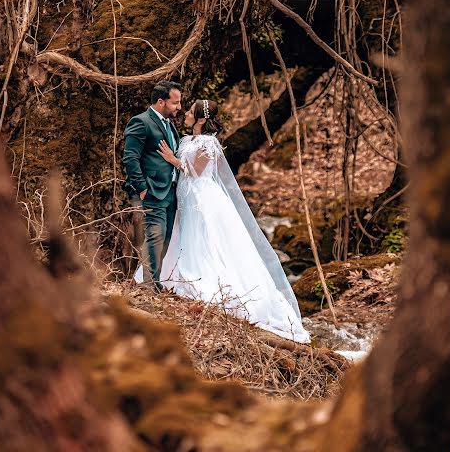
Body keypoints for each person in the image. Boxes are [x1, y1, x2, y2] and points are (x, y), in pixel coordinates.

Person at [148, 98, 310, 344]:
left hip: (202, 198)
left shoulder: (209, 143)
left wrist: (172, 159)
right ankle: (175, 275)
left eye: (191, 112)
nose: (186, 115)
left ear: (201, 119)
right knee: (186, 236)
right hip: (186, 196)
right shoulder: (186, 139)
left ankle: (211, 285)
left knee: (206, 239)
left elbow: (195, 171)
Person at [122, 80, 181, 288]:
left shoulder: (169, 125)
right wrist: (142, 188)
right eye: (175, 102)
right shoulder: (141, 122)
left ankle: (154, 282)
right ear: (160, 101)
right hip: (152, 191)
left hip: (170, 191)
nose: (179, 107)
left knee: (165, 238)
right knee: (155, 236)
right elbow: (130, 158)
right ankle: (149, 287)